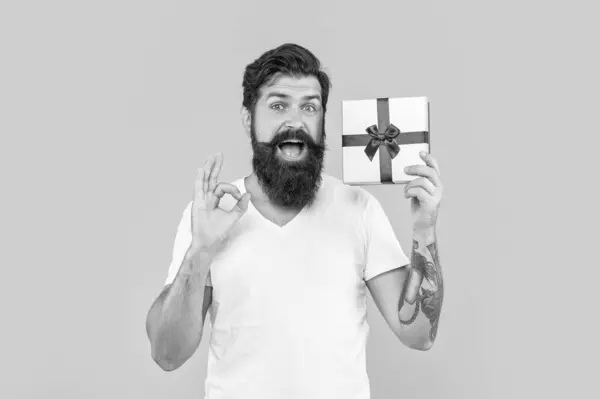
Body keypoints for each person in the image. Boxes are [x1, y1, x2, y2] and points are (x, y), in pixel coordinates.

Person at [145, 43, 445, 399]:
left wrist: (424, 228)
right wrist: (200, 251)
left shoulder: (359, 209)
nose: (295, 121)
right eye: (277, 105)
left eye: (309, 107)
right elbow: (167, 354)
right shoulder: (211, 216)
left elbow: (419, 335)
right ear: (248, 118)